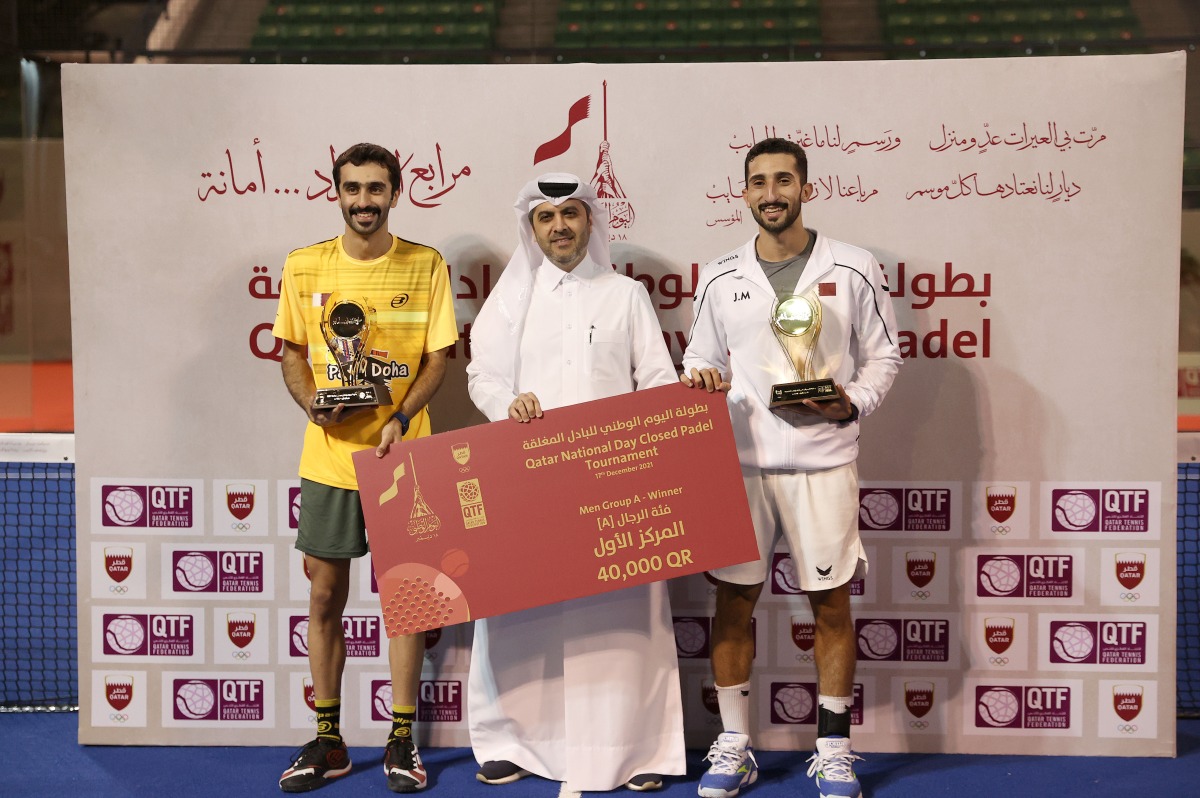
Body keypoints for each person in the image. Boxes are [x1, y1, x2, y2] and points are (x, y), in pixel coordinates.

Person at [681, 138, 901, 798]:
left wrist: (849, 403)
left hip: (823, 465)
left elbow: (884, 359)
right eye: (758, 182)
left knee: (830, 605)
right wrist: (704, 381)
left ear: (806, 188)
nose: (770, 193)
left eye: (783, 180)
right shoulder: (719, 275)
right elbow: (698, 358)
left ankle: (833, 749)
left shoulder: (854, 267)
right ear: (743, 193)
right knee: (733, 603)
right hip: (742, 467)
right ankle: (735, 745)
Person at [464, 173, 686, 793]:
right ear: (531, 229)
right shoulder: (512, 301)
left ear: (590, 221)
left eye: (570, 214)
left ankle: (636, 750)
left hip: (616, 484)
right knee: (519, 618)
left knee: (621, 619)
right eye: (545, 217)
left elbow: (659, 383)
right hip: (528, 481)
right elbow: (482, 376)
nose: (559, 226)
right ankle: (512, 741)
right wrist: (508, 405)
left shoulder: (626, 295)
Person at [273, 142, 458, 794]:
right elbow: (293, 352)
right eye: (352, 188)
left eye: (375, 189)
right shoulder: (303, 267)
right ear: (337, 191)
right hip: (327, 462)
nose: (363, 201)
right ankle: (329, 738)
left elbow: (439, 357)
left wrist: (400, 416)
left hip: (402, 458)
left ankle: (401, 738)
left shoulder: (426, 264)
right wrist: (311, 404)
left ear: (395, 193)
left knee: (406, 603)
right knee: (324, 597)